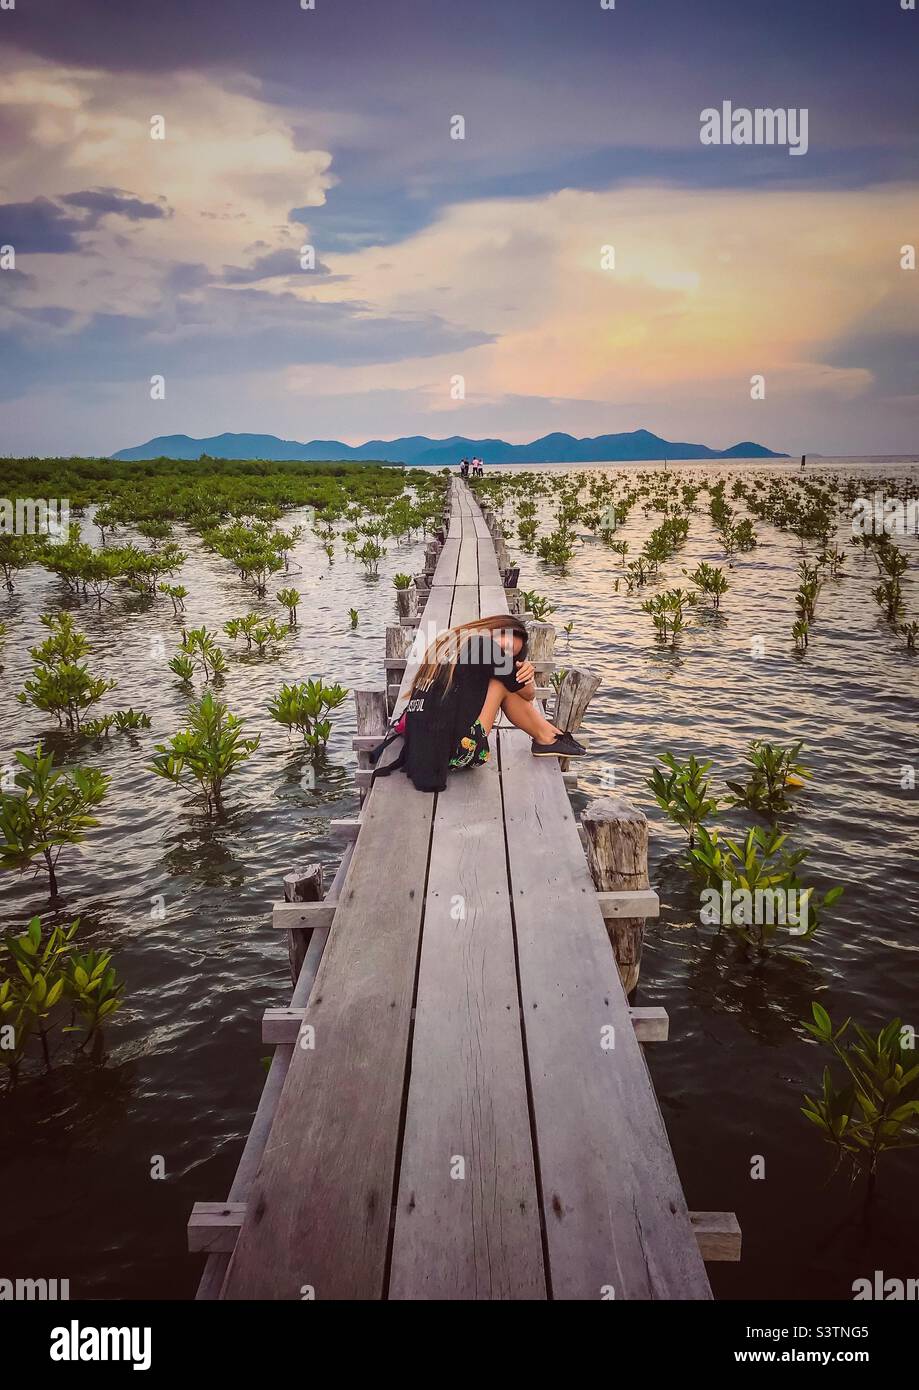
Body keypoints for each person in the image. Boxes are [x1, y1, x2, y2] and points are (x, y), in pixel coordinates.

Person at [371, 614, 585, 793]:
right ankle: (546, 737)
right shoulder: (483, 647)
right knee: (501, 684)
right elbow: (528, 695)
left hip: (420, 754)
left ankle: (546, 736)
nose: (506, 653)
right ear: (493, 630)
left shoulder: (447, 642)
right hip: (459, 753)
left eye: (512, 654)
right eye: (507, 644)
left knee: (500, 681)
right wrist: (526, 674)